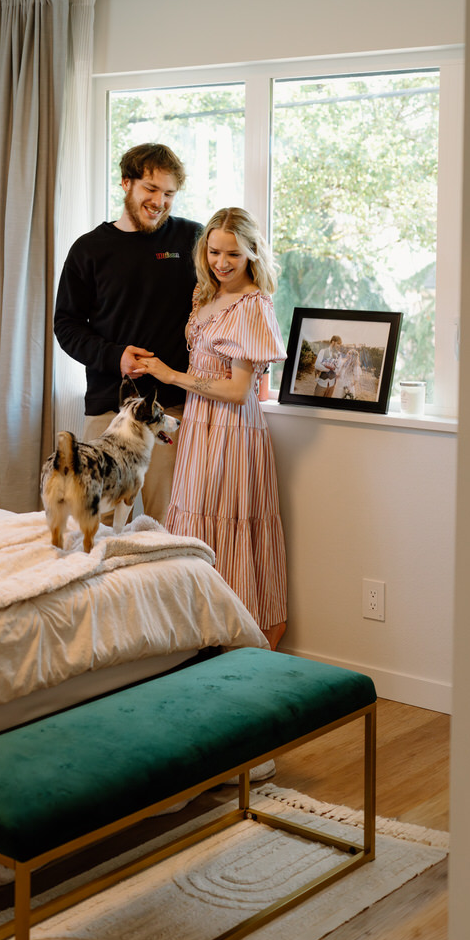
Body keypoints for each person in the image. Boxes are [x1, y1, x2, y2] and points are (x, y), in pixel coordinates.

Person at [135, 207, 288, 648]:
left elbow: (240, 390)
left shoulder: (254, 306)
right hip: (199, 426)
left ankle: (240, 632)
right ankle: (197, 629)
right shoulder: (205, 295)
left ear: (252, 255)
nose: (221, 263)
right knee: (191, 518)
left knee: (227, 519)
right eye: (214, 251)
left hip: (232, 431)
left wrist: (171, 376)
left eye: (233, 256)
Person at [53, 143, 200, 523]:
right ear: (126, 183)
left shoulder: (192, 240)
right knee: (95, 525)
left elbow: (231, 289)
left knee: (167, 523)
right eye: (150, 189)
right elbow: (65, 325)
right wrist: (115, 355)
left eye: (169, 194)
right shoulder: (89, 250)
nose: (159, 201)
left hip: (169, 407)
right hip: (108, 409)